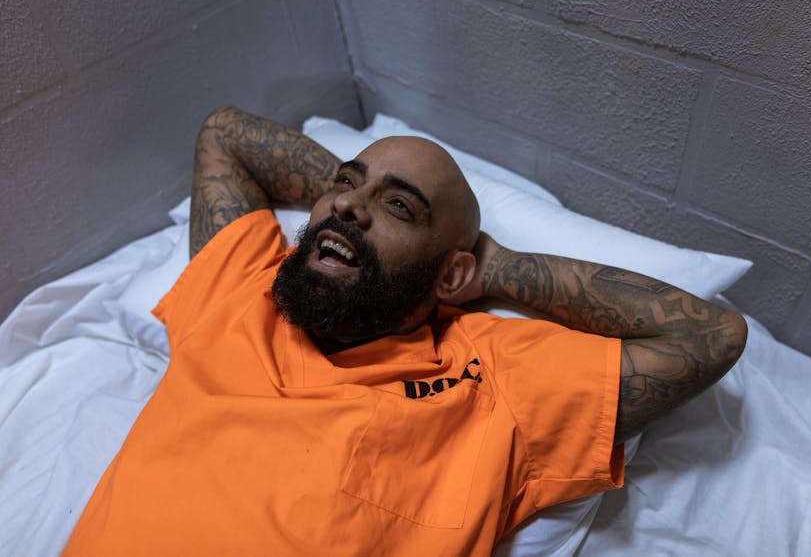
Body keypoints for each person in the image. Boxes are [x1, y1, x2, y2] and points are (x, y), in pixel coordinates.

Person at [63, 106, 747, 556]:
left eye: (397, 206)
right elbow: (226, 134)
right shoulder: (244, 287)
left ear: (450, 275)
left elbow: (709, 335)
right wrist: (355, 199)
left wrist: (495, 268)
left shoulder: (490, 377)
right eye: (343, 183)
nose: (347, 209)